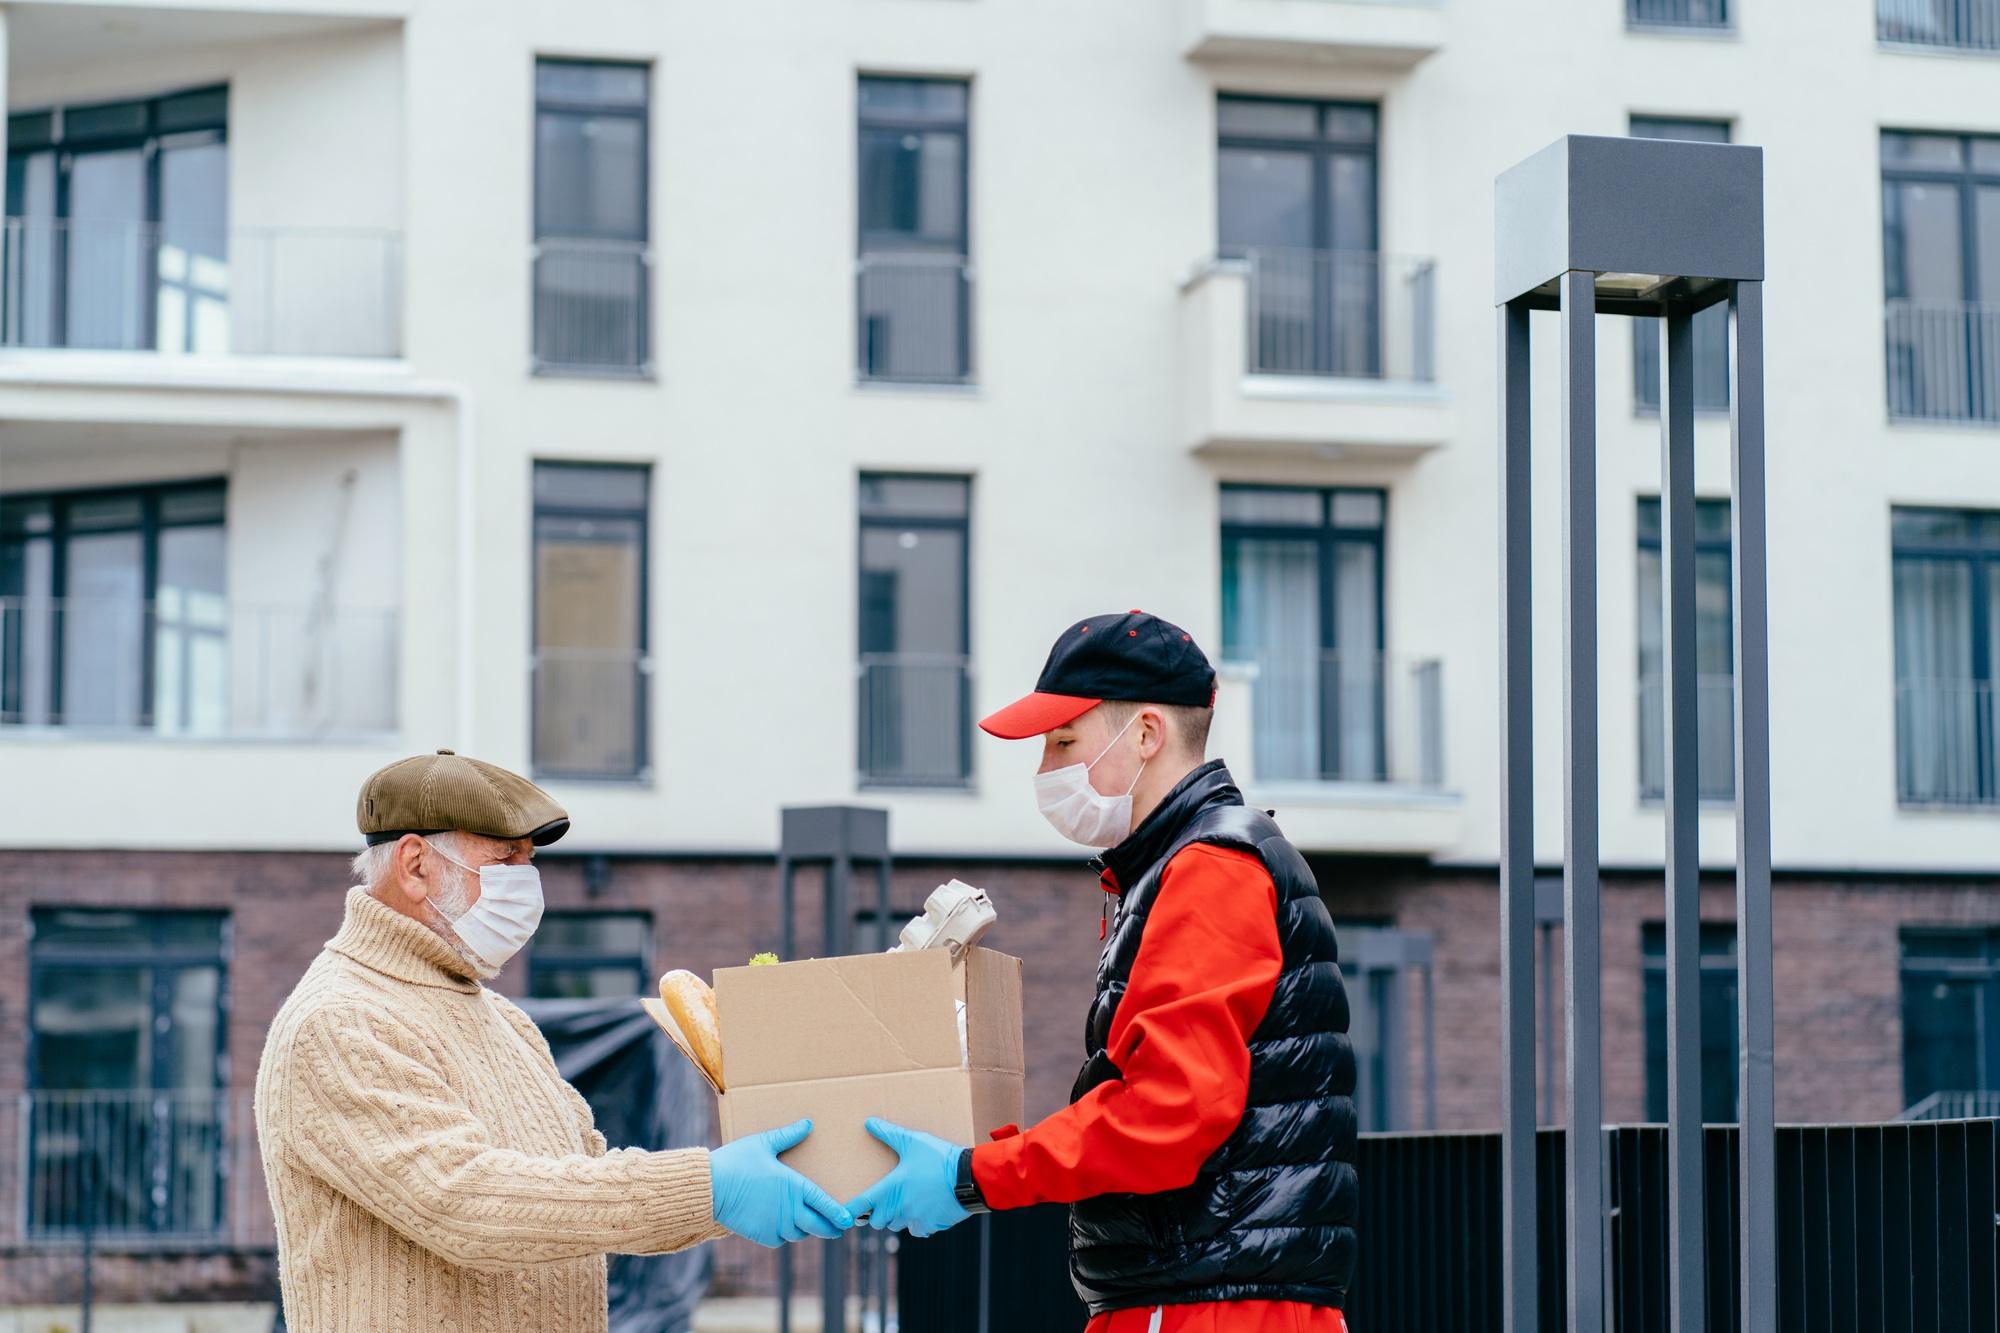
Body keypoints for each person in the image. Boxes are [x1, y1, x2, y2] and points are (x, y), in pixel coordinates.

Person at [848, 612, 1359, 1332]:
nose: (1046, 770)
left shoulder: (1207, 870)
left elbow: (1167, 1115)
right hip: (1217, 1293)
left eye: (1063, 741)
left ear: (1146, 734)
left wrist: (972, 1176)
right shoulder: (1181, 867)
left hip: (1206, 1306)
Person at [255, 749, 850, 1333]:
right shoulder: (339, 1021)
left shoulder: (502, 1021)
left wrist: (753, 1177)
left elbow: (583, 1182)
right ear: (415, 865)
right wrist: (712, 1186)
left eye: (530, 861)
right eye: (505, 858)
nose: (528, 882)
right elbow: (465, 1201)